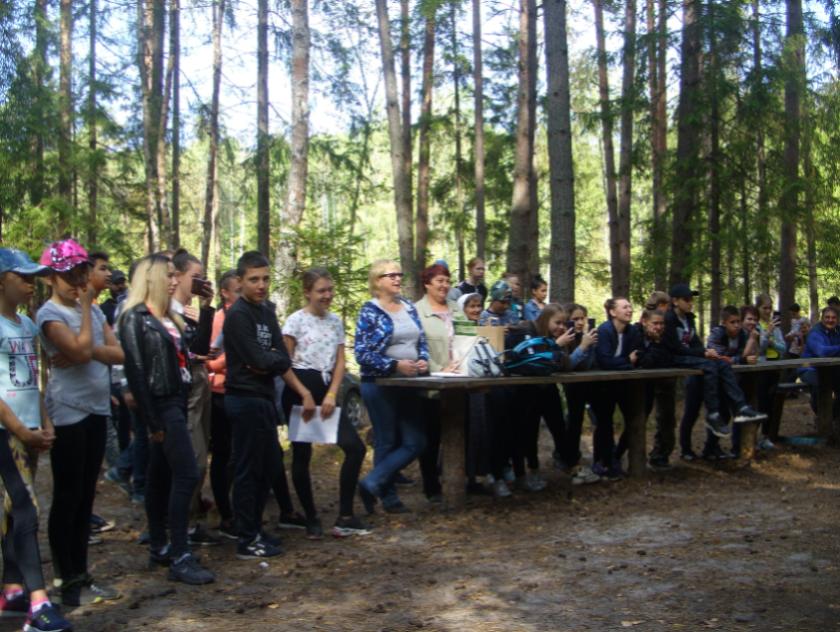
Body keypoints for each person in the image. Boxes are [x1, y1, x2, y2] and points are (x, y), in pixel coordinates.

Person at [37, 238, 123, 607]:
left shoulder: (96, 313)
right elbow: (76, 349)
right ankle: (67, 579)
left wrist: (88, 350)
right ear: (50, 278)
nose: (77, 282)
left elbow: (118, 352)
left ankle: (82, 574)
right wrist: (86, 316)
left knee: (86, 495)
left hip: (97, 408)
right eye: (68, 275)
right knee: (68, 496)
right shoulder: (49, 314)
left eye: (80, 273)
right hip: (68, 411)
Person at [119, 254, 215, 585]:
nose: (174, 281)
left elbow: (199, 347)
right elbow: (136, 372)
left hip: (177, 399)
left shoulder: (168, 317)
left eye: (176, 275)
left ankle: (160, 546)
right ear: (151, 279)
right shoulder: (135, 318)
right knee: (186, 474)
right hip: (162, 406)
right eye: (169, 275)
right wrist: (153, 422)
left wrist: (207, 309)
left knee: (160, 477)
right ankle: (180, 555)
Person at [223, 251, 315, 559]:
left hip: (264, 398)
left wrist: (267, 362)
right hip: (244, 398)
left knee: (268, 467)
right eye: (254, 280)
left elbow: (281, 358)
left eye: (265, 279)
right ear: (240, 281)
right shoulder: (238, 316)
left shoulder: (265, 311)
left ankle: (256, 529)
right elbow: (258, 359)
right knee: (248, 469)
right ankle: (246, 538)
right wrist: (266, 361)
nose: (261, 285)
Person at [0, 248, 73, 631]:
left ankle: (13, 588)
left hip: (29, 429)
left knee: (13, 510)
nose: (31, 284)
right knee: (27, 510)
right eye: (23, 277)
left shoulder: (27, 325)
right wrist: (18, 429)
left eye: (33, 278)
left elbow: (32, 379)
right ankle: (38, 604)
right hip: (6, 431)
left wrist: (44, 422)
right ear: (2, 281)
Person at [281, 268, 369, 538]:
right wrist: (304, 394)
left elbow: (340, 361)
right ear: (307, 292)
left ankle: (345, 515)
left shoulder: (335, 322)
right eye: (321, 291)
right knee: (302, 454)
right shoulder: (295, 321)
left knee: (354, 447)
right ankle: (310, 517)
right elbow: (284, 364)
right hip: (299, 391)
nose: (327, 295)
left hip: (325, 390)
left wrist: (331, 394)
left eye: (330, 290)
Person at [354, 260, 429, 514]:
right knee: (386, 441)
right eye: (391, 275)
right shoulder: (370, 311)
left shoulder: (408, 306)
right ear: (378, 280)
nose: (398, 279)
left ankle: (371, 482)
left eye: (400, 274)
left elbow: (421, 340)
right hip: (379, 384)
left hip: (409, 383)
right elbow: (362, 353)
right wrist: (394, 365)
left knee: (416, 441)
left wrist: (423, 360)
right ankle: (388, 497)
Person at [665, 283, 765, 454]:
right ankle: (706, 421)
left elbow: (695, 343)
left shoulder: (689, 319)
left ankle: (740, 406)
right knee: (691, 411)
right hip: (675, 359)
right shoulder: (669, 320)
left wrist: (704, 352)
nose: (690, 303)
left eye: (691, 299)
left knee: (722, 364)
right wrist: (703, 353)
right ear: (675, 301)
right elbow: (674, 347)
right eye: (686, 299)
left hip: (695, 361)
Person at [512, 304, 596, 491]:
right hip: (525, 390)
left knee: (559, 427)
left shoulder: (556, 337)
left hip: (547, 388)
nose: (561, 327)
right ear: (545, 319)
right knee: (528, 431)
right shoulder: (528, 330)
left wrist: (573, 346)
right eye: (557, 323)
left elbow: (565, 364)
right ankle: (527, 472)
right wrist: (556, 346)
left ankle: (571, 465)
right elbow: (534, 362)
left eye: (564, 323)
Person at [414, 264, 459, 503]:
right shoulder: (416, 311)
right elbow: (415, 346)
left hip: (460, 380)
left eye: (447, 281)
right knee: (431, 437)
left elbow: (467, 336)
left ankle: (458, 479)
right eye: (440, 281)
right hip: (430, 383)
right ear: (427, 284)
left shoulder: (456, 308)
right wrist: (439, 369)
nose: (444, 285)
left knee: (458, 431)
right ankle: (431, 486)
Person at [592, 297, 642, 479]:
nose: (629, 310)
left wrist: (623, 363)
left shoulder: (633, 331)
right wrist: (627, 361)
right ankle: (602, 461)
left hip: (624, 384)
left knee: (635, 420)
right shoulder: (604, 330)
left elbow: (638, 356)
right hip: (603, 385)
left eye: (630, 306)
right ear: (613, 312)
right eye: (624, 307)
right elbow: (604, 361)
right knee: (604, 423)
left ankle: (616, 456)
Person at [206, 270, 239, 539]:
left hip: (239, 392)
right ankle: (225, 513)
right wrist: (241, 351)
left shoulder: (245, 315)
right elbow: (210, 361)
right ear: (225, 293)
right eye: (237, 290)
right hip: (220, 393)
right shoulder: (220, 319)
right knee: (223, 454)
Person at [560, 304, 601, 484]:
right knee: (574, 422)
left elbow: (589, 364)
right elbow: (569, 364)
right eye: (575, 319)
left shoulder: (587, 337)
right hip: (572, 386)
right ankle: (570, 460)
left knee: (598, 419)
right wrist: (583, 346)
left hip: (589, 384)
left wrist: (589, 345)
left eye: (582, 318)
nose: (580, 322)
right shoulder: (564, 339)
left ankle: (601, 459)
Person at [639, 291, 679, 469]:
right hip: (645, 380)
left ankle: (661, 455)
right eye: (665, 306)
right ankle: (636, 457)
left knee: (667, 418)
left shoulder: (668, 327)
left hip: (666, 377)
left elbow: (670, 352)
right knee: (642, 417)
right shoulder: (641, 328)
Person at [754, 293, 787, 448]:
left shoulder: (775, 326)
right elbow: (759, 348)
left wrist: (773, 343)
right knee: (761, 402)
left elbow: (783, 347)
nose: (768, 311)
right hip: (760, 368)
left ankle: (765, 436)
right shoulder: (756, 325)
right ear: (758, 308)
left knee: (771, 403)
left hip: (774, 367)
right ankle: (753, 436)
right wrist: (767, 335)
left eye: (770, 308)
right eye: (764, 308)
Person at [798, 306, 840, 418]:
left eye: (833, 318)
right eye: (827, 317)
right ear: (822, 318)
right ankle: (822, 415)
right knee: (822, 383)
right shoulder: (815, 332)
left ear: (837, 319)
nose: (830, 320)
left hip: (830, 369)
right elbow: (822, 351)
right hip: (809, 369)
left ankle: (833, 416)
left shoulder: (837, 331)